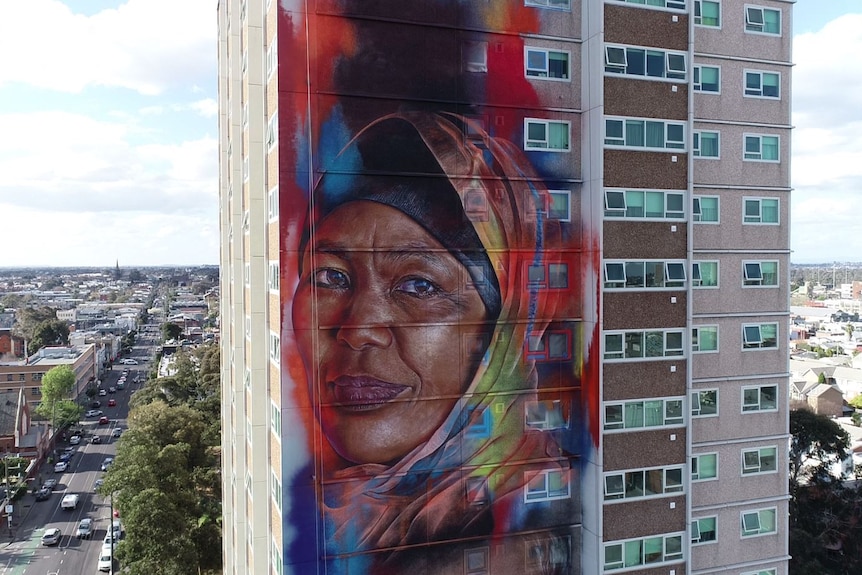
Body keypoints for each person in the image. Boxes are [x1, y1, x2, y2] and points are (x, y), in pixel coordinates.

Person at [291, 112, 578, 573]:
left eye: (419, 286)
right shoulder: (342, 513)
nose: (358, 327)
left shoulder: (530, 535)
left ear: (503, 331)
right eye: (331, 276)